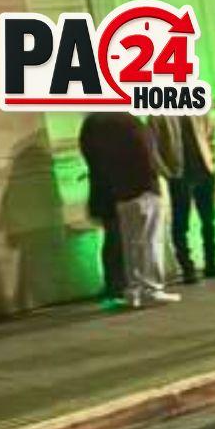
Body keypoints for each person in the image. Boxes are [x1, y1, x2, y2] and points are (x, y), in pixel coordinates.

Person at [78, 112, 178, 309]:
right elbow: (147, 153)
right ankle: (151, 288)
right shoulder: (127, 122)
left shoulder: (93, 124)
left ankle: (134, 290)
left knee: (131, 243)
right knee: (149, 241)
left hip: (118, 193)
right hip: (142, 189)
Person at [151, 113, 215, 284]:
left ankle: (211, 263)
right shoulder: (159, 115)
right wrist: (167, 173)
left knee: (209, 219)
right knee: (180, 223)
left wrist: (213, 163)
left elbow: (210, 135)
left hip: (204, 172)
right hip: (179, 175)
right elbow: (152, 148)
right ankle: (187, 268)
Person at [79, 114, 125, 302]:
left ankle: (116, 282)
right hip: (112, 192)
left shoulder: (93, 125)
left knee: (114, 238)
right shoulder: (100, 125)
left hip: (108, 192)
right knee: (115, 238)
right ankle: (116, 283)